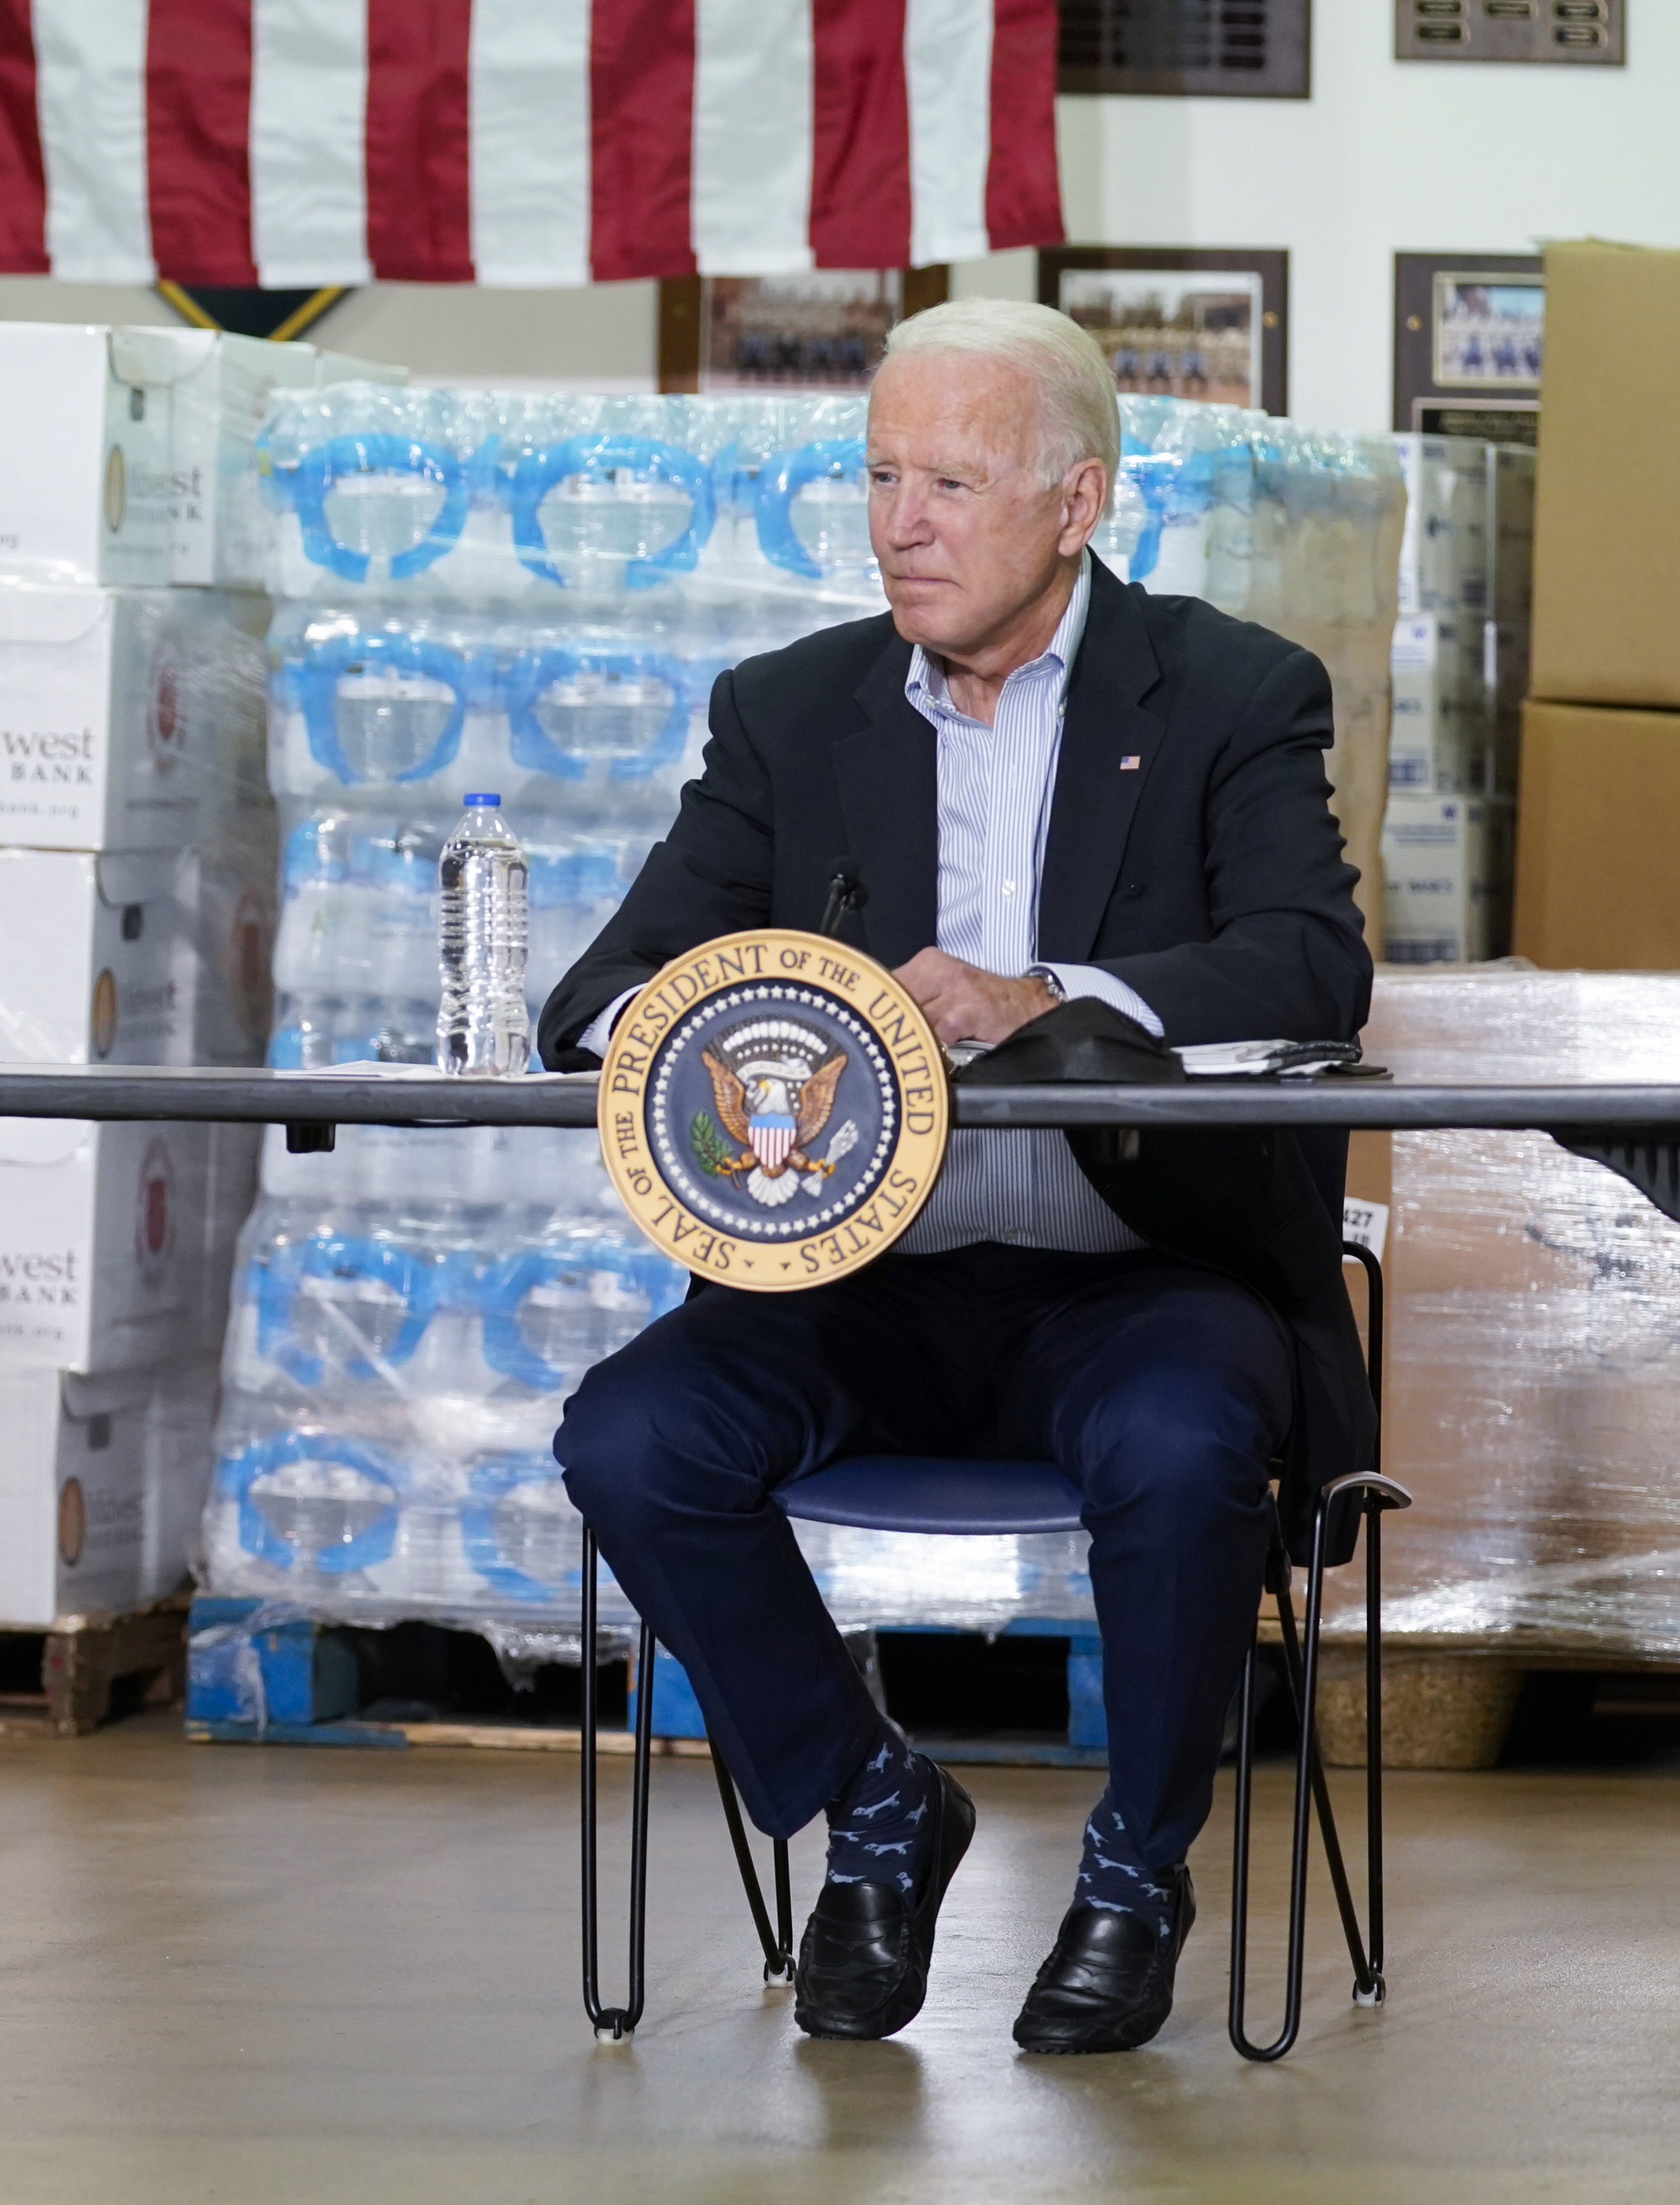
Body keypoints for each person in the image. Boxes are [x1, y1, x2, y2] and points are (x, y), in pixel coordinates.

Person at [538, 300, 1375, 2055]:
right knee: (630, 1436)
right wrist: (785, 1012)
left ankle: (1141, 1868)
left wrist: (1049, 999)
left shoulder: (1231, 692)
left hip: (1141, 1279)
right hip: (863, 1290)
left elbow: (1310, 967)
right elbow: (599, 999)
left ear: (1078, 502)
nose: (899, 522)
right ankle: (878, 1803)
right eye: (880, 477)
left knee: (1187, 1439)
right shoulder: (788, 713)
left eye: (951, 482)